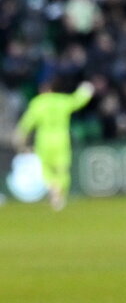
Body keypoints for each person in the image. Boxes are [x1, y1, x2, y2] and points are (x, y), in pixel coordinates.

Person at [15, 78, 95, 210]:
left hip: (44, 139)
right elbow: (78, 101)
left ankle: (53, 186)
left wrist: (20, 133)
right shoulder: (62, 100)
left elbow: (28, 121)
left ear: (42, 91)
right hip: (61, 139)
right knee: (62, 168)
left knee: (46, 168)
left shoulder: (38, 103)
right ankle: (60, 194)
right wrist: (86, 90)